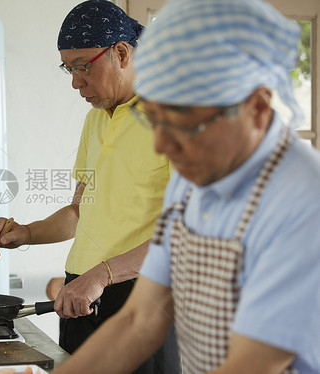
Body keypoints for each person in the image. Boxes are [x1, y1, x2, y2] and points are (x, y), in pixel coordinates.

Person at [51, 0, 320, 373]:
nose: (163, 146)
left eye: (185, 126)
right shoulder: (197, 185)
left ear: (256, 108)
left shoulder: (297, 207)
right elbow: (138, 323)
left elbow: (259, 359)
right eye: (158, 122)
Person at [0, 0, 180, 372]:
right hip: (78, 294)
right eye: (68, 69)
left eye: (82, 67)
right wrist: (26, 233)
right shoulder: (96, 120)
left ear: (121, 53)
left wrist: (101, 276)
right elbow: (79, 211)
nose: (75, 82)